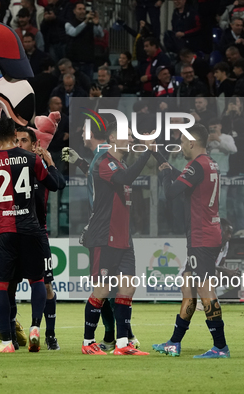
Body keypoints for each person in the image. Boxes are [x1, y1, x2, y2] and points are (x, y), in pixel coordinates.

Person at [0, 117, 61, 353]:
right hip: (31, 229)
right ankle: (34, 327)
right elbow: (52, 184)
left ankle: (7, 342)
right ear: (13, 133)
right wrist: (48, 164)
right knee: (37, 280)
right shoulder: (31, 158)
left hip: (2, 230)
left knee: (1, 285)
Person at [152, 123, 230, 359]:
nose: (182, 146)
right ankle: (174, 342)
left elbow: (171, 191)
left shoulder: (197, 165)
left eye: (183, 142)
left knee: (206, 291)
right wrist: (158, 155)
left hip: (202, 236)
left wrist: (165, 172)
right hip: (206, 233)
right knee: (188, 286)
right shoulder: (209, 163)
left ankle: (220, 346)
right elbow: (182, 177)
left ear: (192, 143)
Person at [81, 124, 152, 356]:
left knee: (127, 289)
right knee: (102, 291)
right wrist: (147, 152)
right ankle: (87, 342)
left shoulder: (120, 164)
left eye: (132, 135)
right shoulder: (105, 162)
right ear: (112, 138)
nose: (131, 139)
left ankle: (122, 344)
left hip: (123, 239)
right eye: (127, 135)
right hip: (104, 237)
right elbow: (127, 177)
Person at [16, 126, 66, 350]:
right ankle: (10, 333)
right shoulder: (9, 166)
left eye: (24, 141)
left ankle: (50, 334)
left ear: (35, 145)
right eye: (16, 140)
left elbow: (59, 184)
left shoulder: (40, 167)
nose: (19, 145)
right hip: (13, 232)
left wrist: (50, 162)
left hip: (38, 232)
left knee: (46, 285)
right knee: (8, 284)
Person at [64, 1, 104, 80]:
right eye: (80, 9)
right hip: (74, 62)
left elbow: (101, 35)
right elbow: (74, 32)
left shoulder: (90, 23)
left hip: (88, 62)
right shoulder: (69, 24)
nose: (82, 11)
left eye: (84, 9)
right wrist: (86, 21)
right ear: (74, 11)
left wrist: (96, 24)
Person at [207, 118, 236, 218]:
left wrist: (218, 140)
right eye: (211, 129)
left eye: (215, 127)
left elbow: (233, 150)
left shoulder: (227, 138)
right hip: (208, 174)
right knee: (209, 204)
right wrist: (207, 143)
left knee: (222, 203)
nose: (213, 130)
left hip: (222, 173)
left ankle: (223, 229)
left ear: (220, 126)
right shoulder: (207, 139)